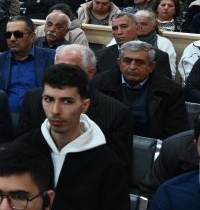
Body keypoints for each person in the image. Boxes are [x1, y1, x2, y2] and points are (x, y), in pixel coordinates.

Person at [15, 64, 132, 210]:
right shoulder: (21, 150)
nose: (55, 110)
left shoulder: (107, 164)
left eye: (67, 101)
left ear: (84, 105)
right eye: (48, 99)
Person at [17, 44, 134, 173]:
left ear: (91, 73)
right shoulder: (33, 98)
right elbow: (20, 153)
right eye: (58, 68)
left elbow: (119, 171)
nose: (55, 110)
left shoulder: (116, 112)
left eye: (71, 70)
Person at [0, 15, 55, 113]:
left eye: (18, 34)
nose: (12, 39)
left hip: (40, 116)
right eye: (8, 35)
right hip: (5, 116)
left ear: (32, 37)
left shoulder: (51, 58)